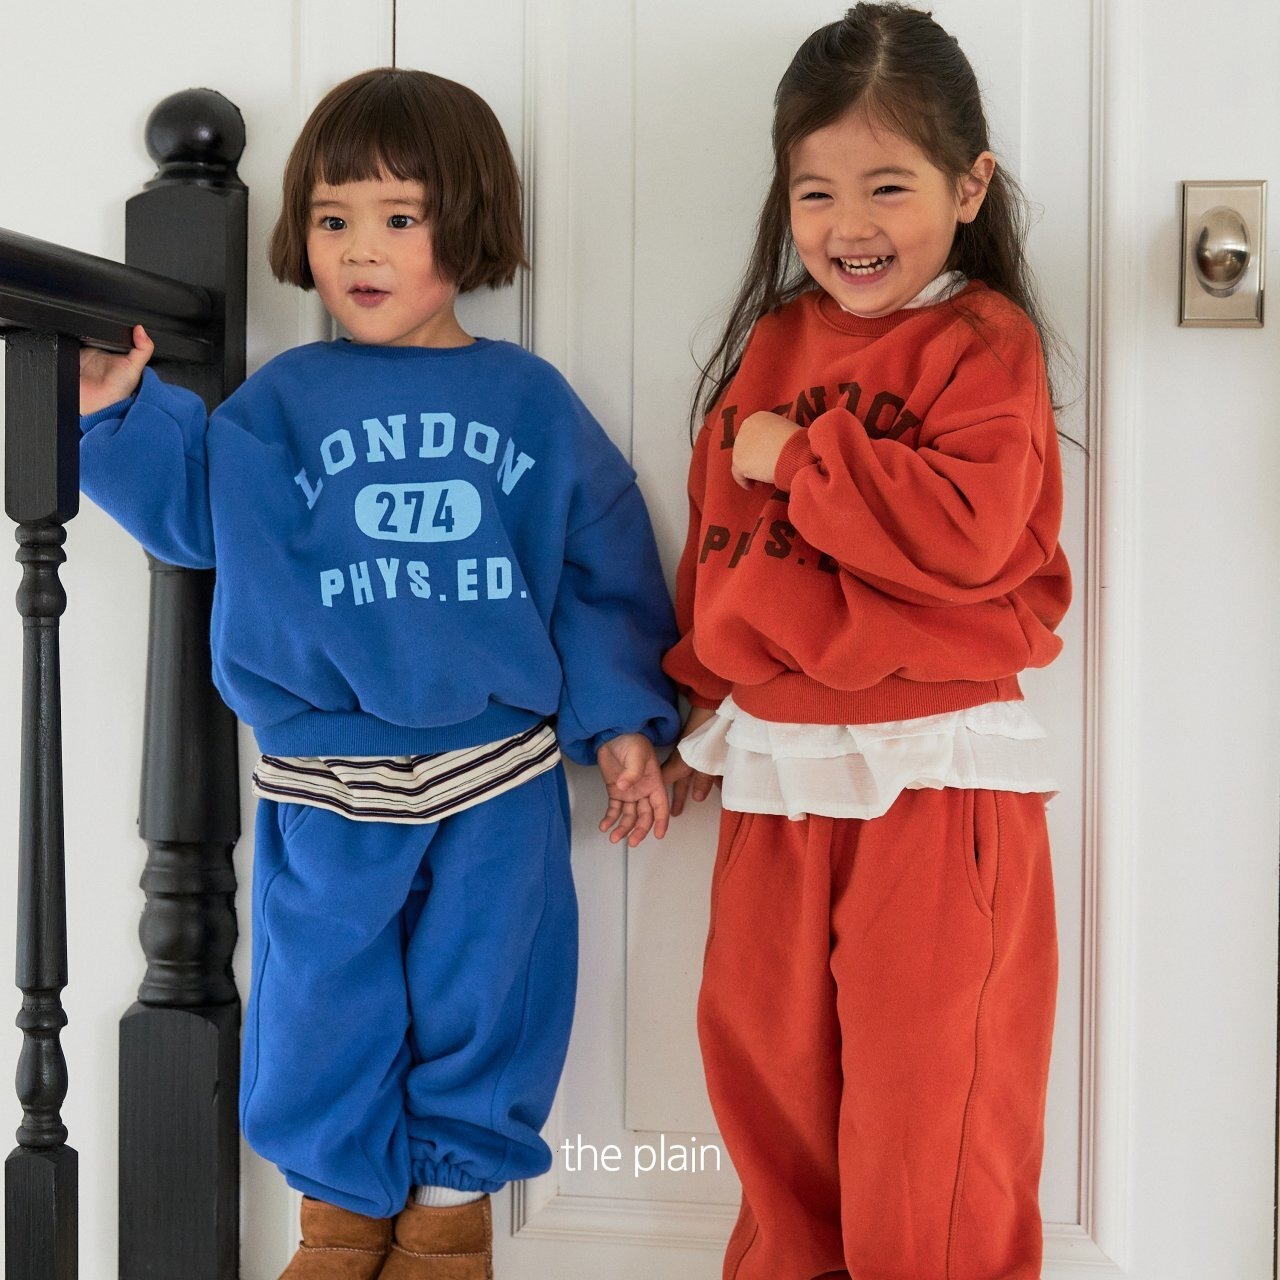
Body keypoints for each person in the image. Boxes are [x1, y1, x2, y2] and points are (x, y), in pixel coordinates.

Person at [79, 67, 679, 1280]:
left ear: (468, 220)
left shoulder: (526, 400)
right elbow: (194, 513)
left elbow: (597, 561)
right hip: (325, 775)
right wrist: (113, 417)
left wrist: (622, 721)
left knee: (490, 992)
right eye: (332, 217)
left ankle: (448, 1219)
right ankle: (337, 1224)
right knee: (319, 1003)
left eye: (398, 217)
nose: (360, 248)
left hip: (494, 770)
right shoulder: (278, 406)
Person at [660, 6, 1073, 1279]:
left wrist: (803, 457)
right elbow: (722, 543)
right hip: (776, 768)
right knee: (766, 1068)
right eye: (815, 191)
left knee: (927, 1091)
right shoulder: (774, 341)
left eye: (887, 186)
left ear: (967, 185)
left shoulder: (981, 341)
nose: (849, 224)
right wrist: (693, 704)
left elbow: (964, 533)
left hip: (932, 770)